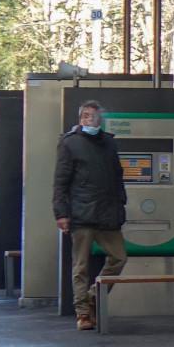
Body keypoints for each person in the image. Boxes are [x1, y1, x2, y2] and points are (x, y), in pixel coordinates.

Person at [53, 101, 128, 330]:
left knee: (119, 257)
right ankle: (83, 313)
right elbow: (60, 181)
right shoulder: (69, 143)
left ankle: (94, 297)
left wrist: (120, 203)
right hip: (82, 213)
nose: (88, 119)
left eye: (92, 116)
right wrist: (61, 213)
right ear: (80, 118)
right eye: (85, 115)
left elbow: (117, 176)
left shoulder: (109, 143)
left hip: (107, 213)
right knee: (81, 266)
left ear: (99, 119)